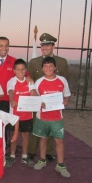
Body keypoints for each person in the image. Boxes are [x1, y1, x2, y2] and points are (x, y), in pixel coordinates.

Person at [27, 33, 69, 162]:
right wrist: (33, 94)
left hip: (55, 103)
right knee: (36, 125)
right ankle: (32, 150)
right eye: (42, 45)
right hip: (39, 100)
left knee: (52, 127)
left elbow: (64, 81)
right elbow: (30, 79)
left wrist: (63, 100)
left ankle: (49, 152)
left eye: (47, 45)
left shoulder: (62, 62)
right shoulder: (34, 62)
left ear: (53, 46)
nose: (44, 48)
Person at [33, 57, 71, 178]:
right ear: (42, 68)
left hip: (57, 117)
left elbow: (67, 95)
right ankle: (42, 160)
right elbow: (35, 96)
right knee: (43, 139)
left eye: (50, 66)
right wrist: (39, 102)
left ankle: (60, 164)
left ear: (55, 67)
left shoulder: (62, 80)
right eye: (46, 66)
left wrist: (66, 101)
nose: (48, 68)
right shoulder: (39, 82)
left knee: (59, 141)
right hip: (42, 117)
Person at [6, 59, 37, 167]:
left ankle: (24, 156)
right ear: (14, 70)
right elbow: (11, 91)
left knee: (26, 136)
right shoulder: (11, 81)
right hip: (14, 115)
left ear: (26, 70)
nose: (20, 71)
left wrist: (37, 98)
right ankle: (12, 156)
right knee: (14, 136)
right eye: (18, 69)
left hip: (27, 115)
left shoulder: (30, 81)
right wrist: (12, 100)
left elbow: (33, 92)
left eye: (23, 69)